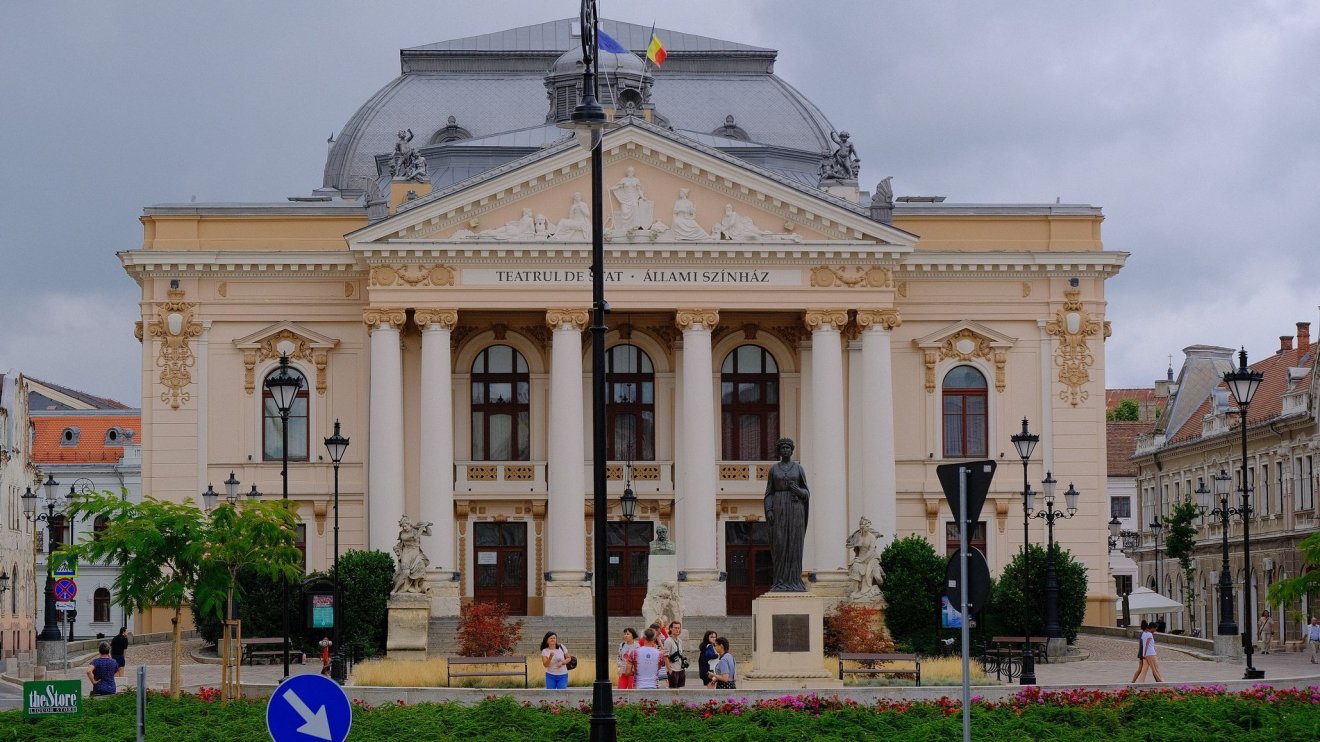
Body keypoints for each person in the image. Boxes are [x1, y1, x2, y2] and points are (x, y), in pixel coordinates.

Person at [764, 438, 810, 591]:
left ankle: (795, 581)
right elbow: (769, 493)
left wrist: (798, 490)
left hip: (796, 508)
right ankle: (780, 581)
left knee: (795, 544)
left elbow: (807, 493)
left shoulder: (798, 469)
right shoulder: (774, 469)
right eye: (782, 448)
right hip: (779, 507)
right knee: (780, 544)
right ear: (779, 451)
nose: (785, 450)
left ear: (792, 450)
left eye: (787, 448)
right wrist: (769, 510)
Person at [662, 620, 686, 688]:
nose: (677, 630)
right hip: (673, 669)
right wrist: (670, 670)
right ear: (671, 628)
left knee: (679, 689)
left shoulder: (680, 641)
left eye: (678, 628)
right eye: (675, 628)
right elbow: (665, 656)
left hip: (680, 668)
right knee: (673, 690)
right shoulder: (668, 641)